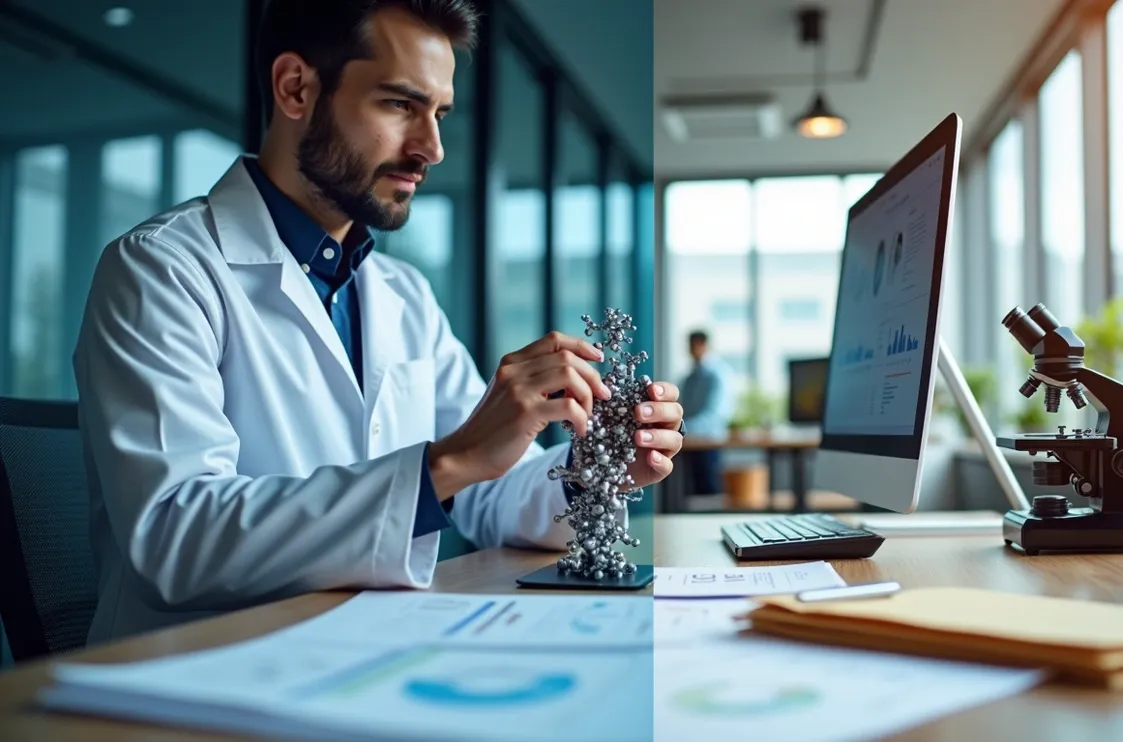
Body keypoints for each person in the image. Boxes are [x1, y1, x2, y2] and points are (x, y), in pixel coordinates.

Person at [72, 0, 683, 644]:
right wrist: (445, 464)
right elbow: (177, 538)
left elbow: (493, 495)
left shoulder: (402, 294)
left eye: (440, 114)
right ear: (296, 88)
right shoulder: (161, 269)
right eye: (400, 105)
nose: (432, 148)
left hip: (369, 652)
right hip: (190, 677)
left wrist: (600, 468)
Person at [678, 330, 733, 495]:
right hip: (688, 444)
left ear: (703, 345)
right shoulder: (689, 378)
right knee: (690, 492)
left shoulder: (718, 374)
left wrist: (682, 428)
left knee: (709, 491)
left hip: (709, 442)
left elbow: (715, 415)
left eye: (693, 345)